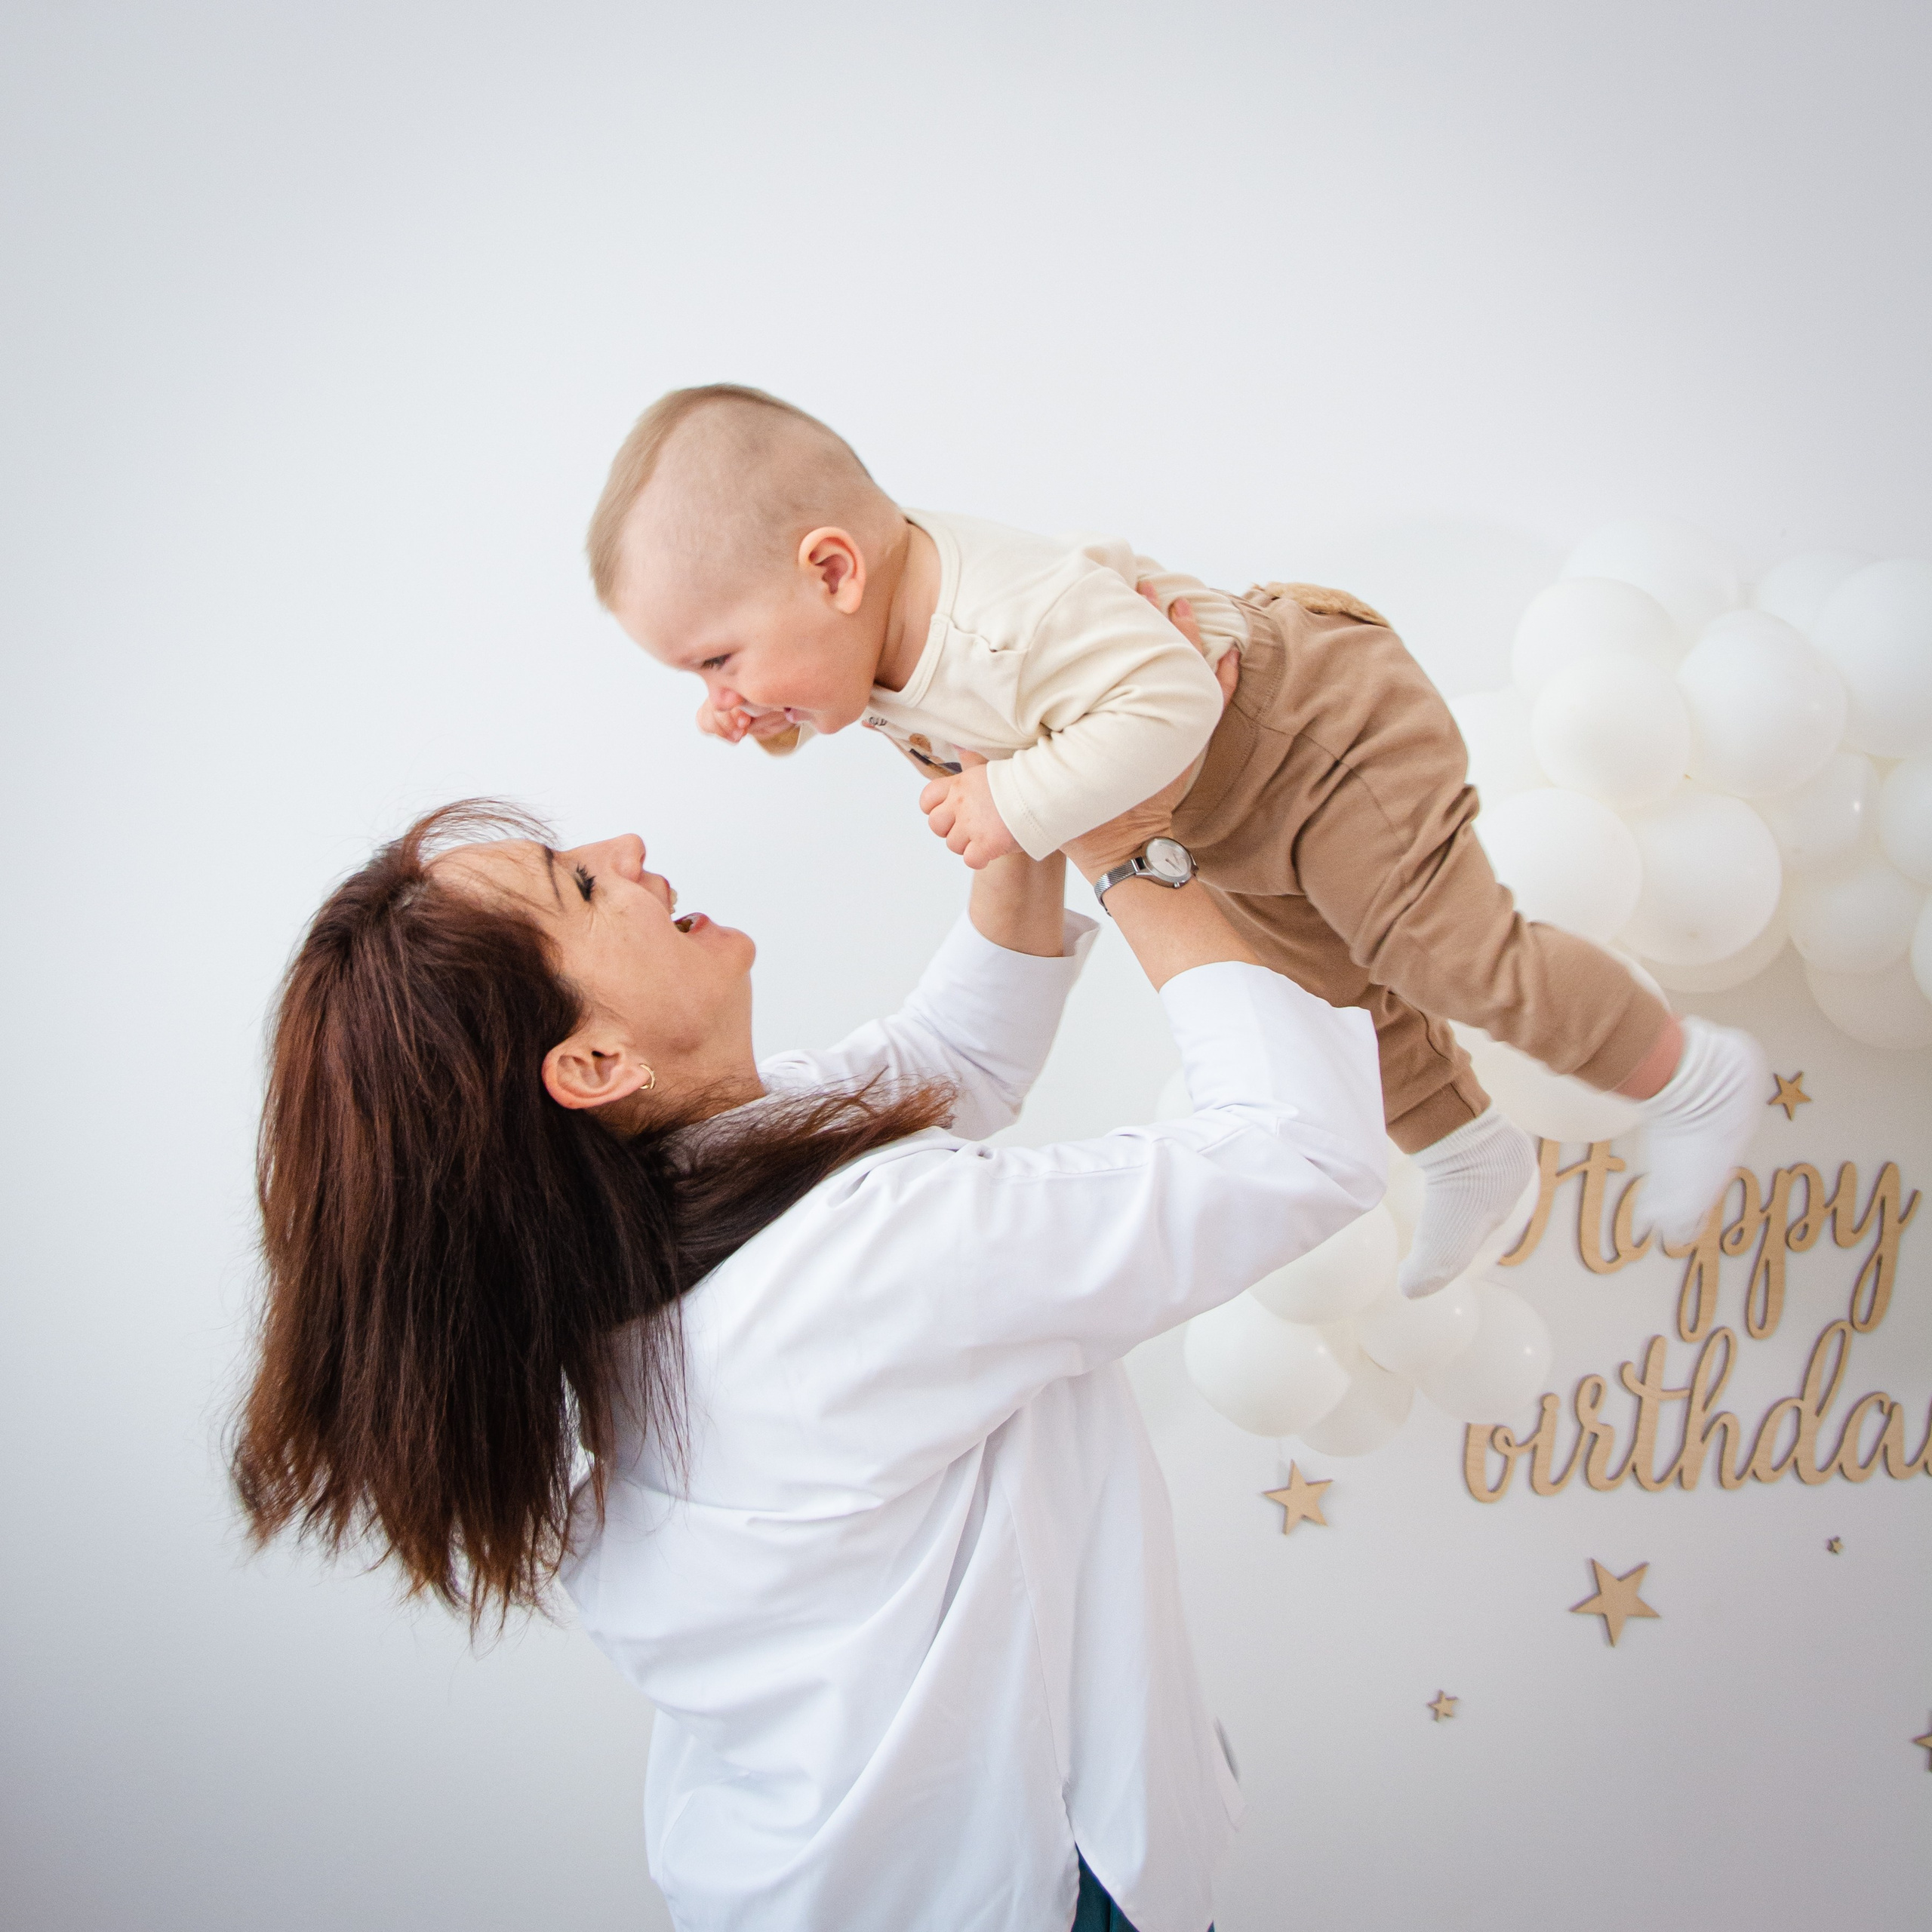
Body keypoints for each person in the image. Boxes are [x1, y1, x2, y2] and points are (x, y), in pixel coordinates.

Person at [232, 764, 1386, 1931]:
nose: (626, 845)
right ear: (592, 1066)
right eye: (580, 886)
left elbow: (952, 1065)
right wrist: (1134, 840)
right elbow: (1300, 1150)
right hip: (1010, 1894)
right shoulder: (848, 1269)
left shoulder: (672, 1197)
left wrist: (1030, 798)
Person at [583, 383, 1770, 1297]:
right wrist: (777, 714)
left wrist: (1016, 803)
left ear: (830, 569)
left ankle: (1691, 1074)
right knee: (1334, 994)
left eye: (717, 663)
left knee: (1440, 950)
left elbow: (1173, 703)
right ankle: (1469, 1152)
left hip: (1318, 727)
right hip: (1221, 806)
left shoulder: (1004, 616)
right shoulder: (873, 639)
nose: (713, 704)